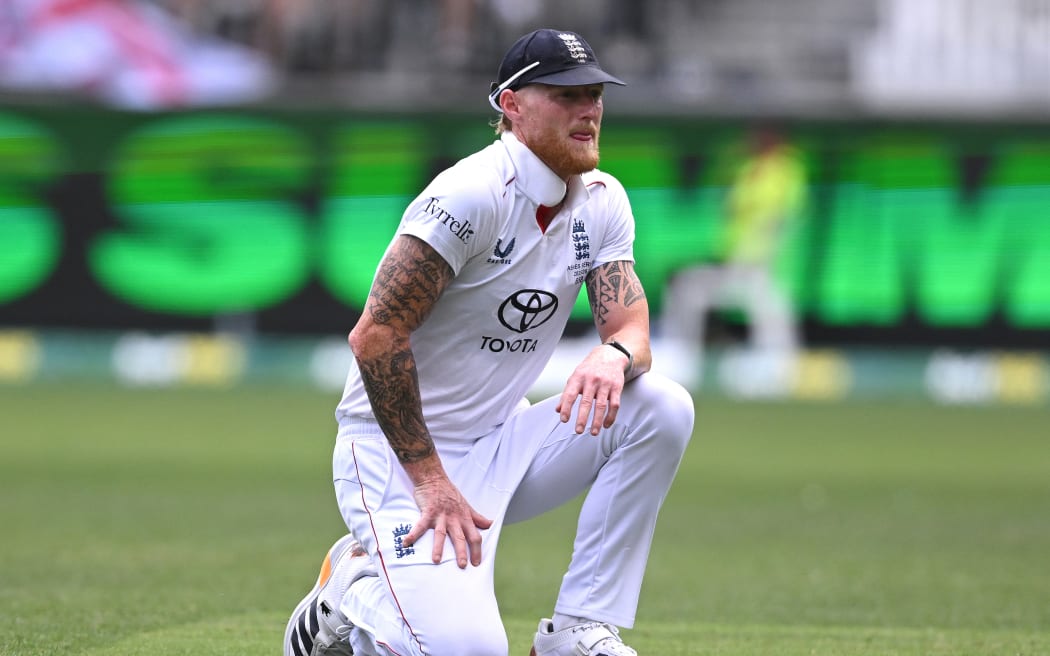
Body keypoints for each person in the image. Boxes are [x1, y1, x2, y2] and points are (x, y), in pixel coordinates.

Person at [284, 28, 695, 656]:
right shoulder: (469, 194)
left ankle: (578, 628)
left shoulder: (603, 201)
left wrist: (614, 355)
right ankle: (350, 591)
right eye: (565, 95)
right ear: (512, 104)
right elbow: (375, 336)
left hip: (503, 443)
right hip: (399, 463)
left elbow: (632, 329)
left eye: (595, 94)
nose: (588, 110)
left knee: (662, 406)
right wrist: (429, 479)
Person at [661, 125, 807, 366]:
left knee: (774, 319)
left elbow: (783, 219)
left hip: (765, 267)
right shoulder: (747, 168)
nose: (756, 139)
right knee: (686, 291)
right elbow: (730, 211)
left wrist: (764, 252)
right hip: (734, 266)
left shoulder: (787, 169)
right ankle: (680, 362)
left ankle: (781, 372)